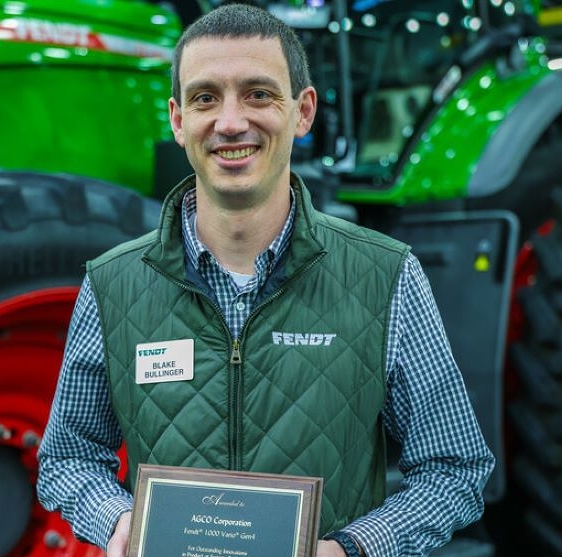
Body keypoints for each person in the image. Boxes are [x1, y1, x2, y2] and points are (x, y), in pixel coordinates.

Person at [36, 4, 495, 556]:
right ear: (179, 121)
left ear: (302, 112)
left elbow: (455, 466)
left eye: (258, 94)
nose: (230, 122)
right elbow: (68, 455)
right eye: (206, 98)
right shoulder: (114, 284)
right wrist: (119, 522)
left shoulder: (386, 275)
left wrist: (352, 549)